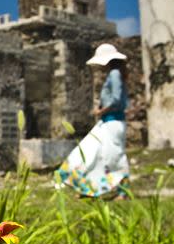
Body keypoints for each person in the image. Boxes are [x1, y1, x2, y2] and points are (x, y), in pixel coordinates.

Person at [56, 43, 131, 200]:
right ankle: (87, 188)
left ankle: (123, 192)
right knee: (90, 152)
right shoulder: (114, 74)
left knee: (114, 156)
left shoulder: (115, 74)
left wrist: (100, 111)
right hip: (108, 121)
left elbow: (116, 100)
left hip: (112, 121)